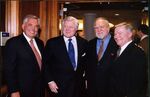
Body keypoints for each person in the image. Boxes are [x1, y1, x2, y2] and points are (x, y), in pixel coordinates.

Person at [44, 16, 87, 97]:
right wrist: (50, 81)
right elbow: (45, 64)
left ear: (76, 28)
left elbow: (86, 64)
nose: (67, 29)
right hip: (58, 87)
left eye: (71, 27)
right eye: (65, 26)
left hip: (78, 87)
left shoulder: (83, 43)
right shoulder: (52, 43)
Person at [4, 15, 45, 97]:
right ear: (23, 26)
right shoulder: (13, 43)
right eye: (30, 25)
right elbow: (9, 70)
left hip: (39, 89)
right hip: (21, 91)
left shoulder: (40, 43)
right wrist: (14, 91)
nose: (33, 29)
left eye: (36, 26)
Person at [110, 22, 147, 97]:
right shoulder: (117, 50)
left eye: (120, 33)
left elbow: (138, 82)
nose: (116, 36)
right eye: (115, 34)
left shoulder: (137, 52)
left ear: (130, 34)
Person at [86, 17, 118, 97]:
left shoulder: (117, 43)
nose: (98, 30)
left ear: (108, 28)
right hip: (92, 88)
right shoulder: (90, 44)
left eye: (101, 27)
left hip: (111, 88)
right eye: (96, 28)